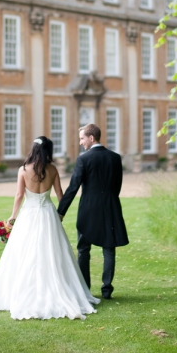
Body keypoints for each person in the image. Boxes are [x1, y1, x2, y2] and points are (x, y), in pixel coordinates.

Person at [0, 136, 99, 320]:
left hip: (28, 213)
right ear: (48, 151)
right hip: (48, 213)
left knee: (24, 251)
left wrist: (13, 216)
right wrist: (60, 214)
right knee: (52, 251)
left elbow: (19, 194)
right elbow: (60, 193)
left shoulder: (23, 169)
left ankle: (23, 291)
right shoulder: (52, 169)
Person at [57, 123, 129, 300]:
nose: (81, 142)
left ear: (91, 138)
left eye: (82, 138)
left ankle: (85, 289)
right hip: (111, 207)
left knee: (83, 249)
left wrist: (60, 212)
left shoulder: (84, 159)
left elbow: (73, 188)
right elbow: (117, 186)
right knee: (109, 249)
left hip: (88, 209)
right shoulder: (115, 157)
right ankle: (107, 290)